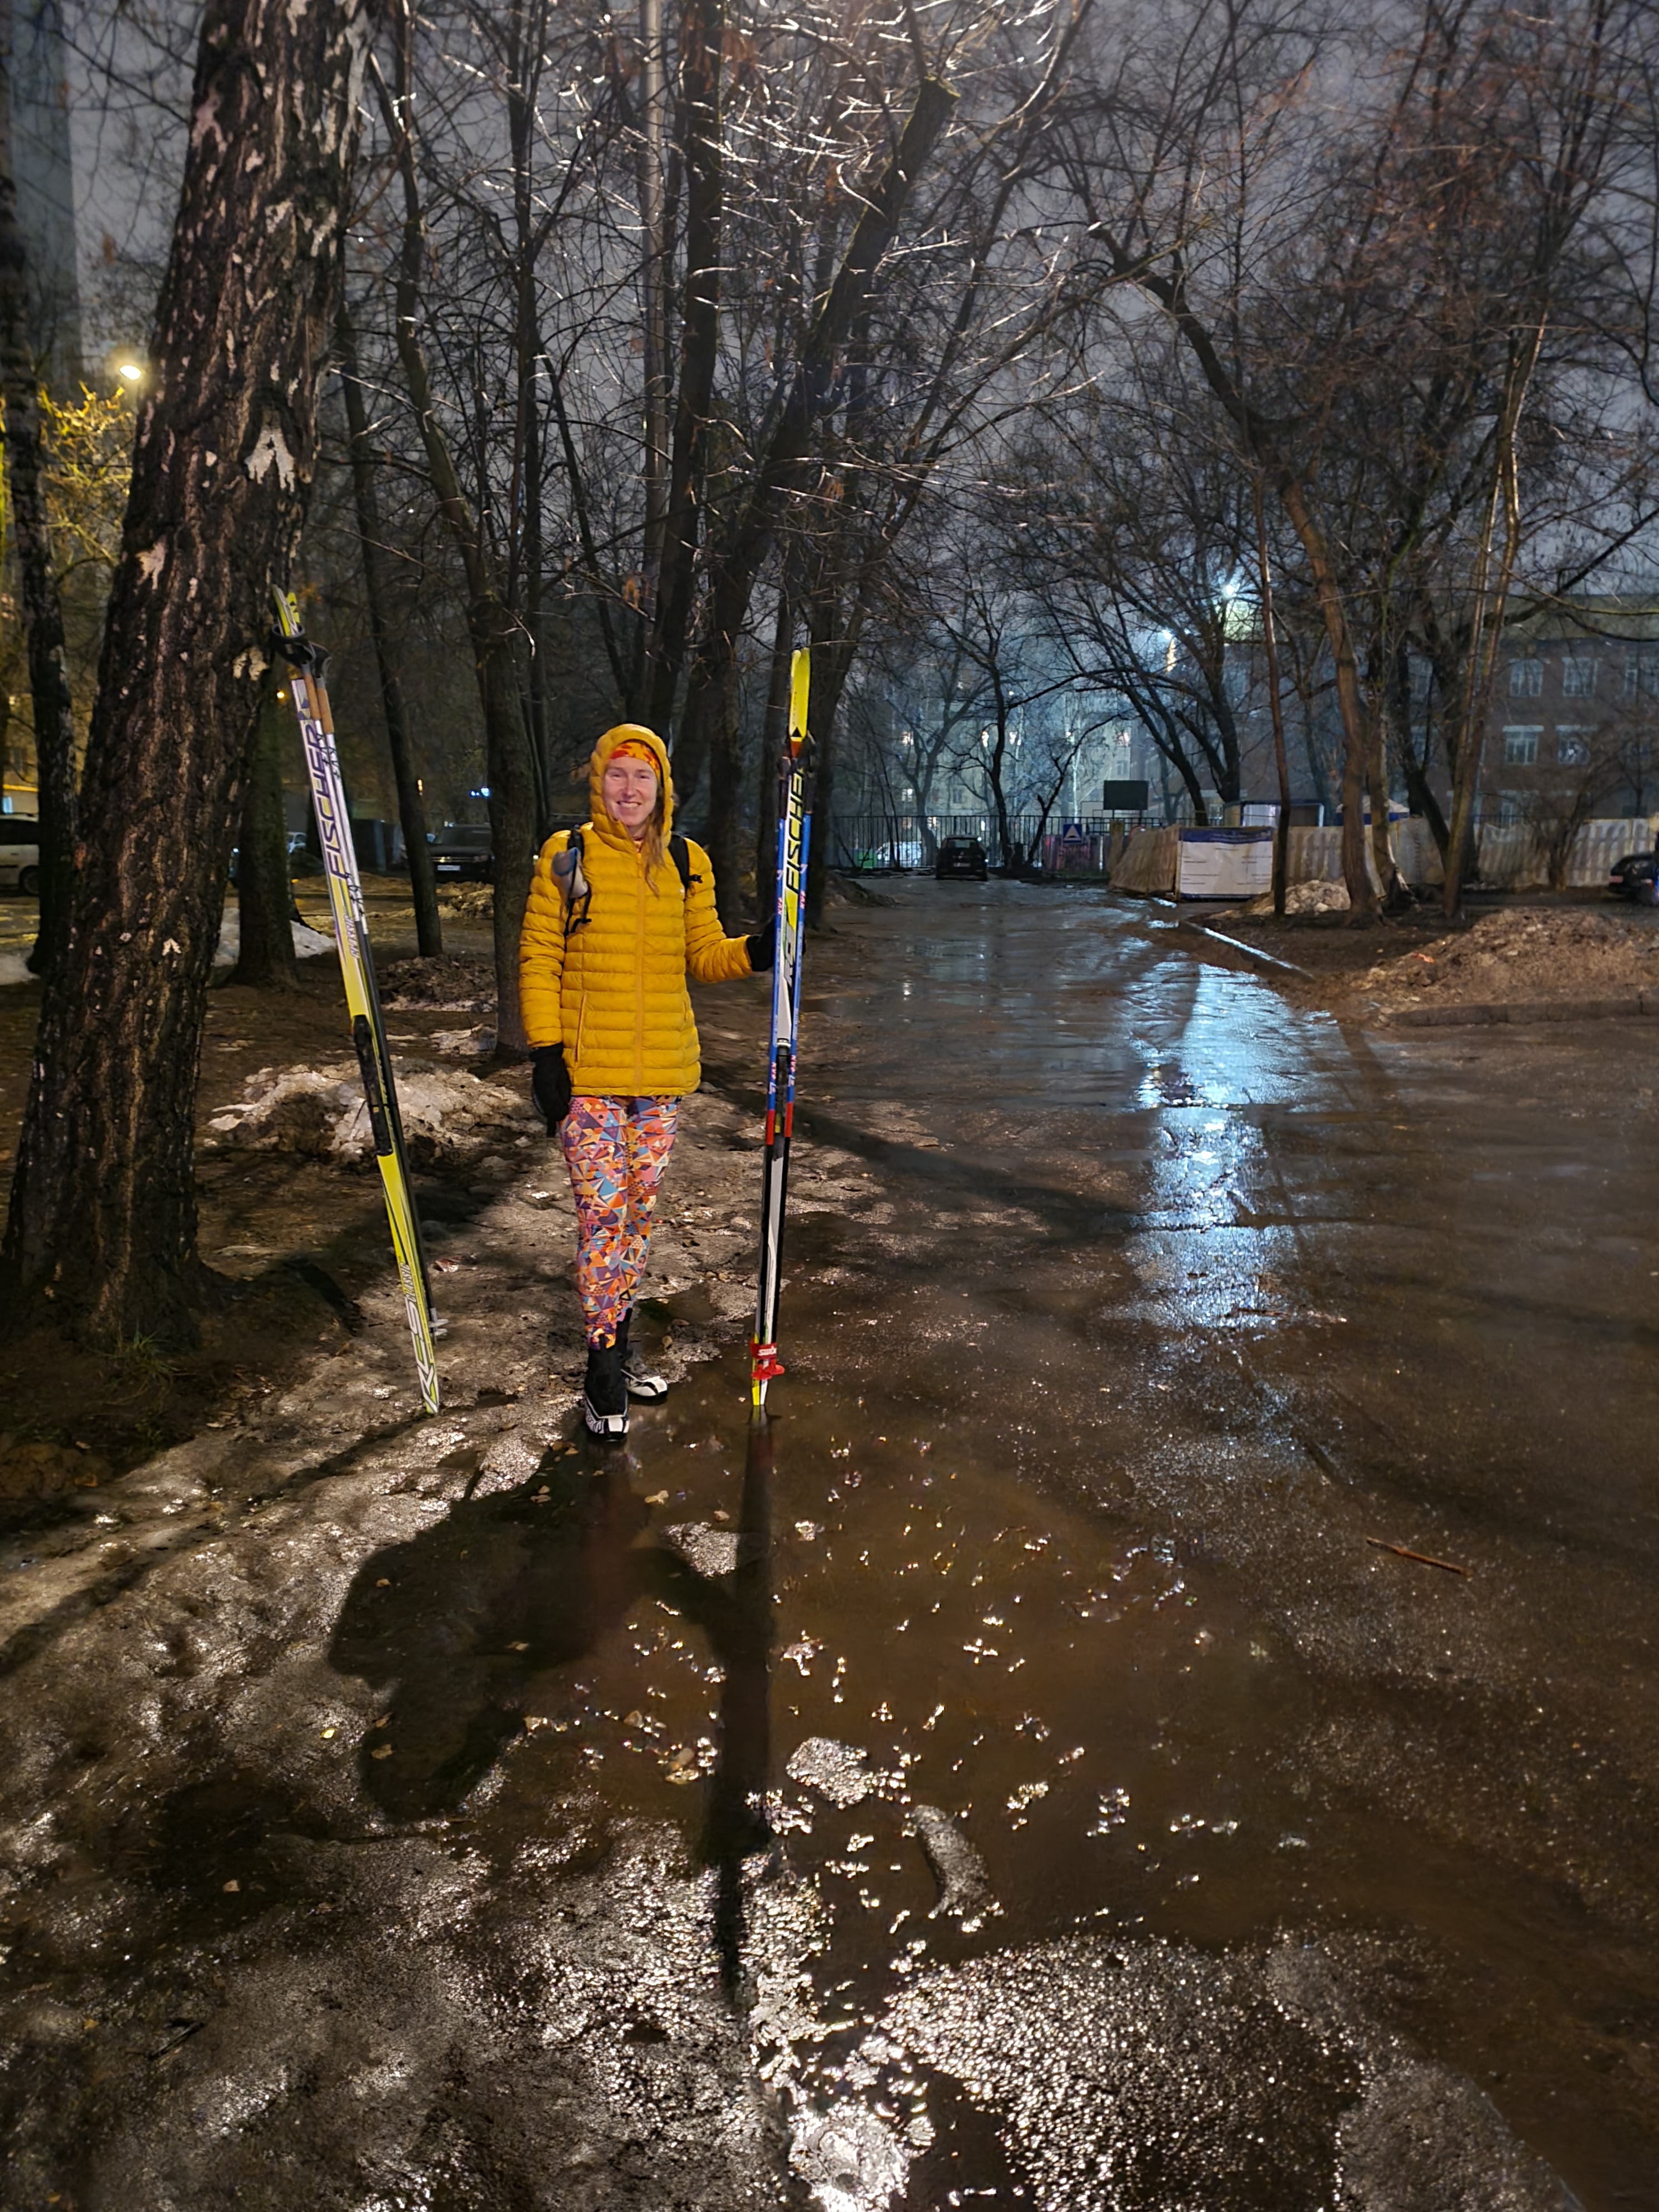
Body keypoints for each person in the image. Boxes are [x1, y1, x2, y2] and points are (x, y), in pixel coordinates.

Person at [519, 724, 773, 1439]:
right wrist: (546, 1052)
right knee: (603, 1222)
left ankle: (619, 1345)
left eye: (643, 777)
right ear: (598, 781)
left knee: (635, 1221)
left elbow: (704, 954)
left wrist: (757, 950)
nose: (629, 790)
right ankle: (602, 1371)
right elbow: (538, 956)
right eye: (617, 775)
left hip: (661, 1077)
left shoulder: (686, 862)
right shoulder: (567, 855)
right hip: (588, 1078)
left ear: (662, 789)